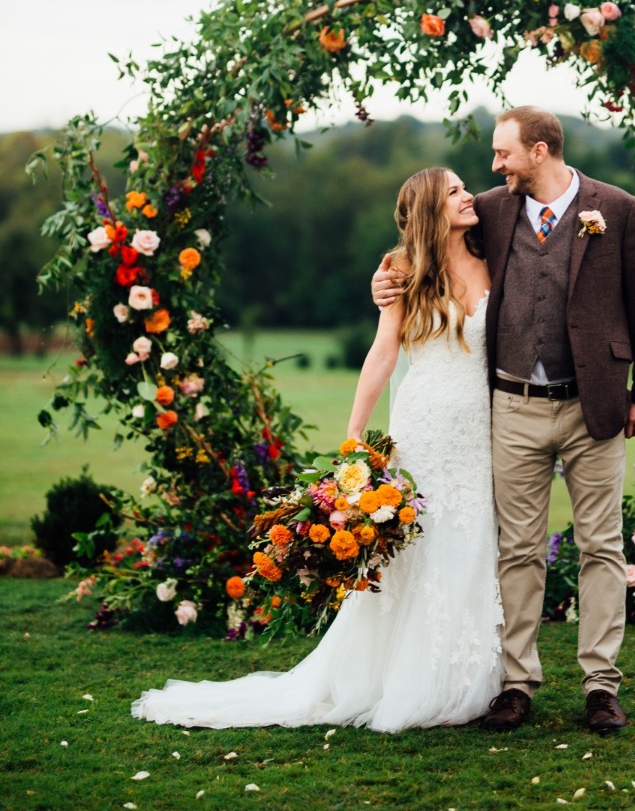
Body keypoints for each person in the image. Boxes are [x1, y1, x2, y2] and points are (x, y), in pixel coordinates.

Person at [132, 167, 502, 732]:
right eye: (454, 191)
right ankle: (402, 682)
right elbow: (383, 355)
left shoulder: (493, 251)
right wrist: (354, 440)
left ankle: (466, 677)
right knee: (414, 551)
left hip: (478, 432)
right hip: (424, 427)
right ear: (431, 208)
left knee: (469, 543)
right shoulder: (401, 270)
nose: (468, 194)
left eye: (463, 186)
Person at [373, 107, 635, 733]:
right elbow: (424, 231)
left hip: (596, 406)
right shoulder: (493, 207)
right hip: (511, 408)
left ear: (539, 151)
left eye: (504, 153)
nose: (493, 166)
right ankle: (517, 683)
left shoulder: (617, 208)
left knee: (601, 547)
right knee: (518, 551)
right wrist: (383, 280)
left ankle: (600, 685)